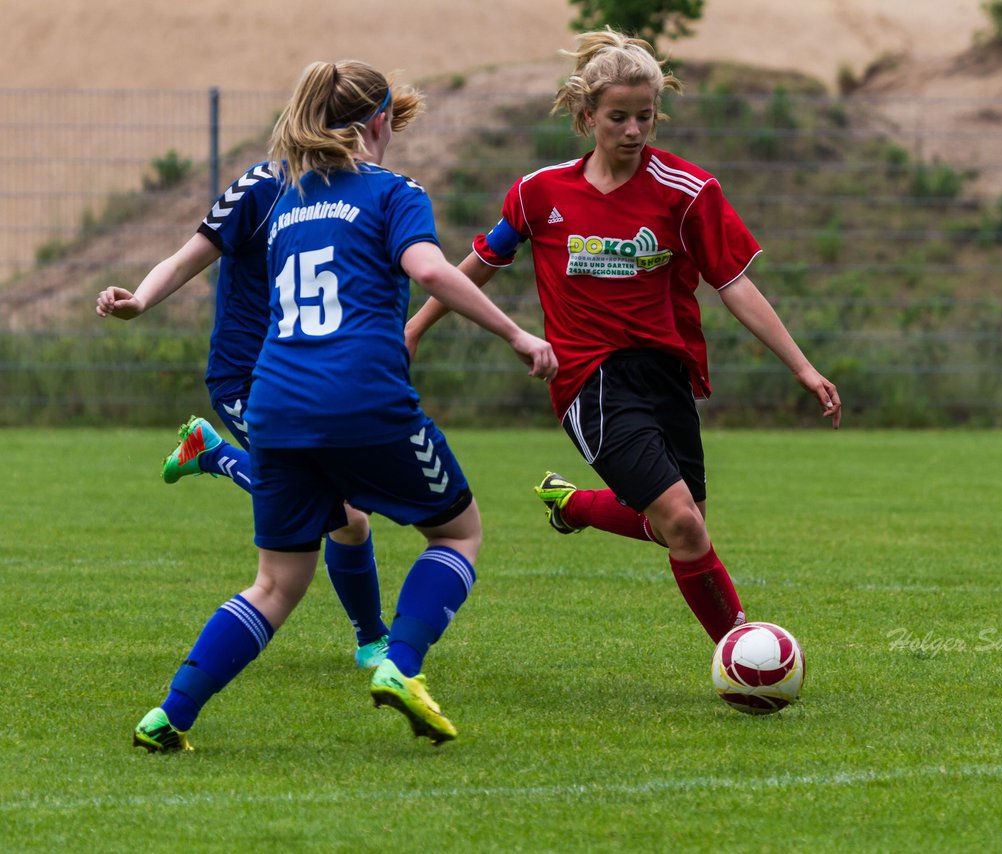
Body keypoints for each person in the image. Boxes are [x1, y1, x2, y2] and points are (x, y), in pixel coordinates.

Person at [129, 59, 557, 752]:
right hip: (362, 397)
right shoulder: (394, 192)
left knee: (275, 583)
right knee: (457, 534)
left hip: (275, 402)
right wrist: (513, 331)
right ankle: (401, 666)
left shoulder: (287, 201)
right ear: (379, 123)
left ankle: (169, 715)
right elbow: (427, 270)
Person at [406, 29, 841, 644]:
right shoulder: (540, 194)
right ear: (587, 117)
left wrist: (802, 366)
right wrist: (417, 325)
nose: (634, 130)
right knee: (684, 527)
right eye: (618, 117)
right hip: (589, 380)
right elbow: (479, 262)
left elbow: (735, 283)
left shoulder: (687, 192)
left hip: (665, 372)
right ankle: (744, 653)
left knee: (680, 528)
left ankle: (575, 505)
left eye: (646, 116)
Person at [96, 157, 392, 670]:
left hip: (312, 380)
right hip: (249, 379)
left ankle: (210, 453)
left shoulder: (360, 191)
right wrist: (139, 300)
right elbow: (185, 258)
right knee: (342, 510)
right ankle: (373, 641)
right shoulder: (261, 187)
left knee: (348, 518)